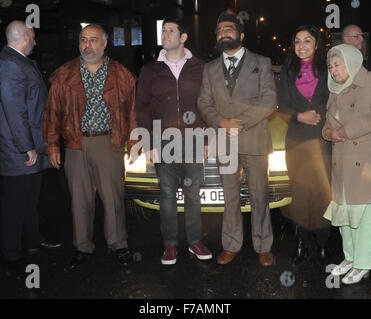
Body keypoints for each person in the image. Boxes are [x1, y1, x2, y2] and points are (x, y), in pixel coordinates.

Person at [43, 23, 137, 269]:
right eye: (84, 40)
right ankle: (82, 246)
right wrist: (52, 145)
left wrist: (135, 142)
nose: (88, 45)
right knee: (79, 200)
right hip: (75, 143)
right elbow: (52, 112)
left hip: (109, 142)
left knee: (113, 198)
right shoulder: (64, 74)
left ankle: (119, 244)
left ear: (105, 43)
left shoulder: (122, 75)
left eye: (93, 40)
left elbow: (133, 112)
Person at [197, 11, 277, 266]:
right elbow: (204, 102)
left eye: (228, 29)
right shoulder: (209, 69)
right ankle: (230, 245)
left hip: (253, 138)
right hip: (225, 142)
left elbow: (269, 100)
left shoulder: (261, 63)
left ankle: (263, 245)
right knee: (229, 196)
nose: (223, 34)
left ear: (241, 35)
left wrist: (238, 123)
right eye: (219, 31)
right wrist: (221, 123)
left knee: (259, 196)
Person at [136, 18, 212, 265]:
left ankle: (195, 242)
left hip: (193, 140)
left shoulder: (201, 67)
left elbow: (209, 105)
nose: (164, 34)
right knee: (167, 195)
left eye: (170, 30)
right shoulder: (150, 70)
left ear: (183, 37)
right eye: (163, 30)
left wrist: (209, 136)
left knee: (193, 194)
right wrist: (147, 143)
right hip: (163, 140)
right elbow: (143, 108)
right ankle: (169, 245)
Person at [322, 44, 371, 285]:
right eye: (330, 66)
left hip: (366, 164)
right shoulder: (334, 90)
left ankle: (363, 264)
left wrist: (347, 130)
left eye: (337, 64)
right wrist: (328, 133)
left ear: (351, 62)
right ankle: (350, 257)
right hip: (342, 162)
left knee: (364, 217)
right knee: (345, 214)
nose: (333, 70)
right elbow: (327, 124)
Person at [0, 21, 58, 265]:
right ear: (24, 37)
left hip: (30, 148)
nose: (36, 42)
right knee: (16, 204)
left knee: (29, 201)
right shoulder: (10, 65)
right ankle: (11, 252)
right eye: (33, 37)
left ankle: (31, 240)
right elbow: (15, 111)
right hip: (20, 151)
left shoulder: (18, 62)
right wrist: (26, 147)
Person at [278, 25, 332, 267]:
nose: (301, 46)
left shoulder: (328, 68)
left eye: (307, 41)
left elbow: (343, 93)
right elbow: (281, 106)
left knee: (323, 194)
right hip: (297, 141)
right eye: (297, 41)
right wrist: (300, 117)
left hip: (324, 140)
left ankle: (322, 245)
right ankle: (300, 244)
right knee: (298, 196)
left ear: (317, 44)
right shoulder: (287, 71)